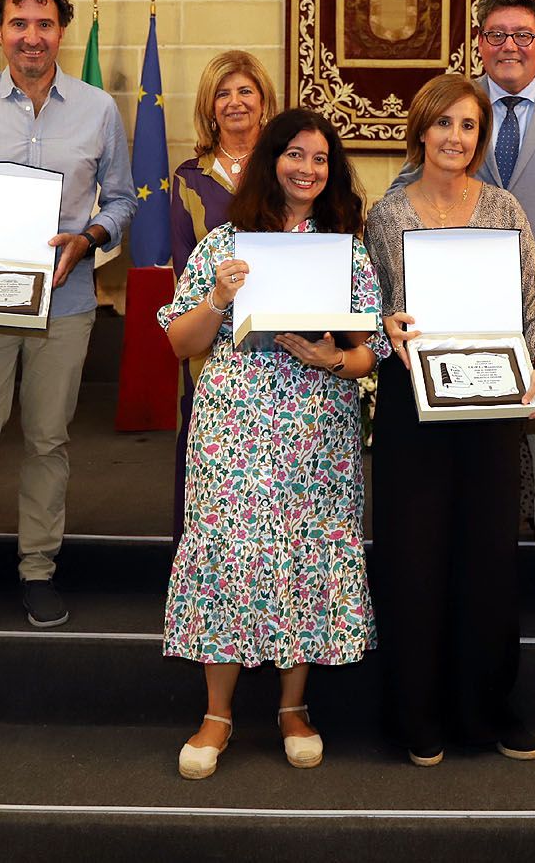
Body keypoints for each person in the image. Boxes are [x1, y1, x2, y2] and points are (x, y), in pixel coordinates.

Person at [390, 0, 535, 637]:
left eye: (523, 34)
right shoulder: (454, 108)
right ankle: (468, 581)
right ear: (480, 42)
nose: (510, 46)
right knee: (470, 462)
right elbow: (406, 192)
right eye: (497, 34)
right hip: (457, 324)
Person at [159, 108, 385, 780]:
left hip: (318, 426)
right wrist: (218, 299)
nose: (307, 168)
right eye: (295, 154)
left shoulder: (345, 246)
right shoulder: (226, 243)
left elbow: (372, 349)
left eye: (319, 158)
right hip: (233, 426)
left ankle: (293, 706)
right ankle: (218, 713)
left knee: (306, 552)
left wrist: (332, 360)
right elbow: (180, 342)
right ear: (271, 159)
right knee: (229, 553)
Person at [0, 0, 138, 637]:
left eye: (44, 24)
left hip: (65, 298)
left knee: (48, 439)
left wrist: (91, 237)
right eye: (19, 24)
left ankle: (39, 569)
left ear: (61, 32)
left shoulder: (98, 109)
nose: (32, 37)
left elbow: (123, 200)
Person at [369, 74, 535, 765]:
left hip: (490, 408)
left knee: (485, 561)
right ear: (421, 129)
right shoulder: (386, 215)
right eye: (443, 123)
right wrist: (379, 325)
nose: (456, 136)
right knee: (412, 560)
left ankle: (485, 709)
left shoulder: (505, 208)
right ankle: (414, 713)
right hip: (413, 411)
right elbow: (372, 309)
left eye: (469, 125)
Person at [168, 50, 278, 537]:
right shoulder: (189, 178)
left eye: (245, 91)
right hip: (211, 350)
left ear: (264, 100)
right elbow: (183, 264)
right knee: (210, 466)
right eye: (223, 93)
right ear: (210, 107)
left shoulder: (287, 167)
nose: (235, 102)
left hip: (281, 344)